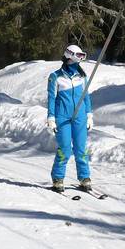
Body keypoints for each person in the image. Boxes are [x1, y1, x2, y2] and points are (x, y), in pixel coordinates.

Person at [46, 44, 94, 192]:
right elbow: (51, 98)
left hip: (80, 117)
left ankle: (84, 177)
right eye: (78, 55)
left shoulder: (81, 76)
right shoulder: (55, 77)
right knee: (65, 149)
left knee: (81, 149)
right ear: (69, 56)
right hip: (62, 118)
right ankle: (58, 178)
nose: (80, 59)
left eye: (81, 56)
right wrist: (51, 118)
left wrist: (89, 115)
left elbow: (86, 97)